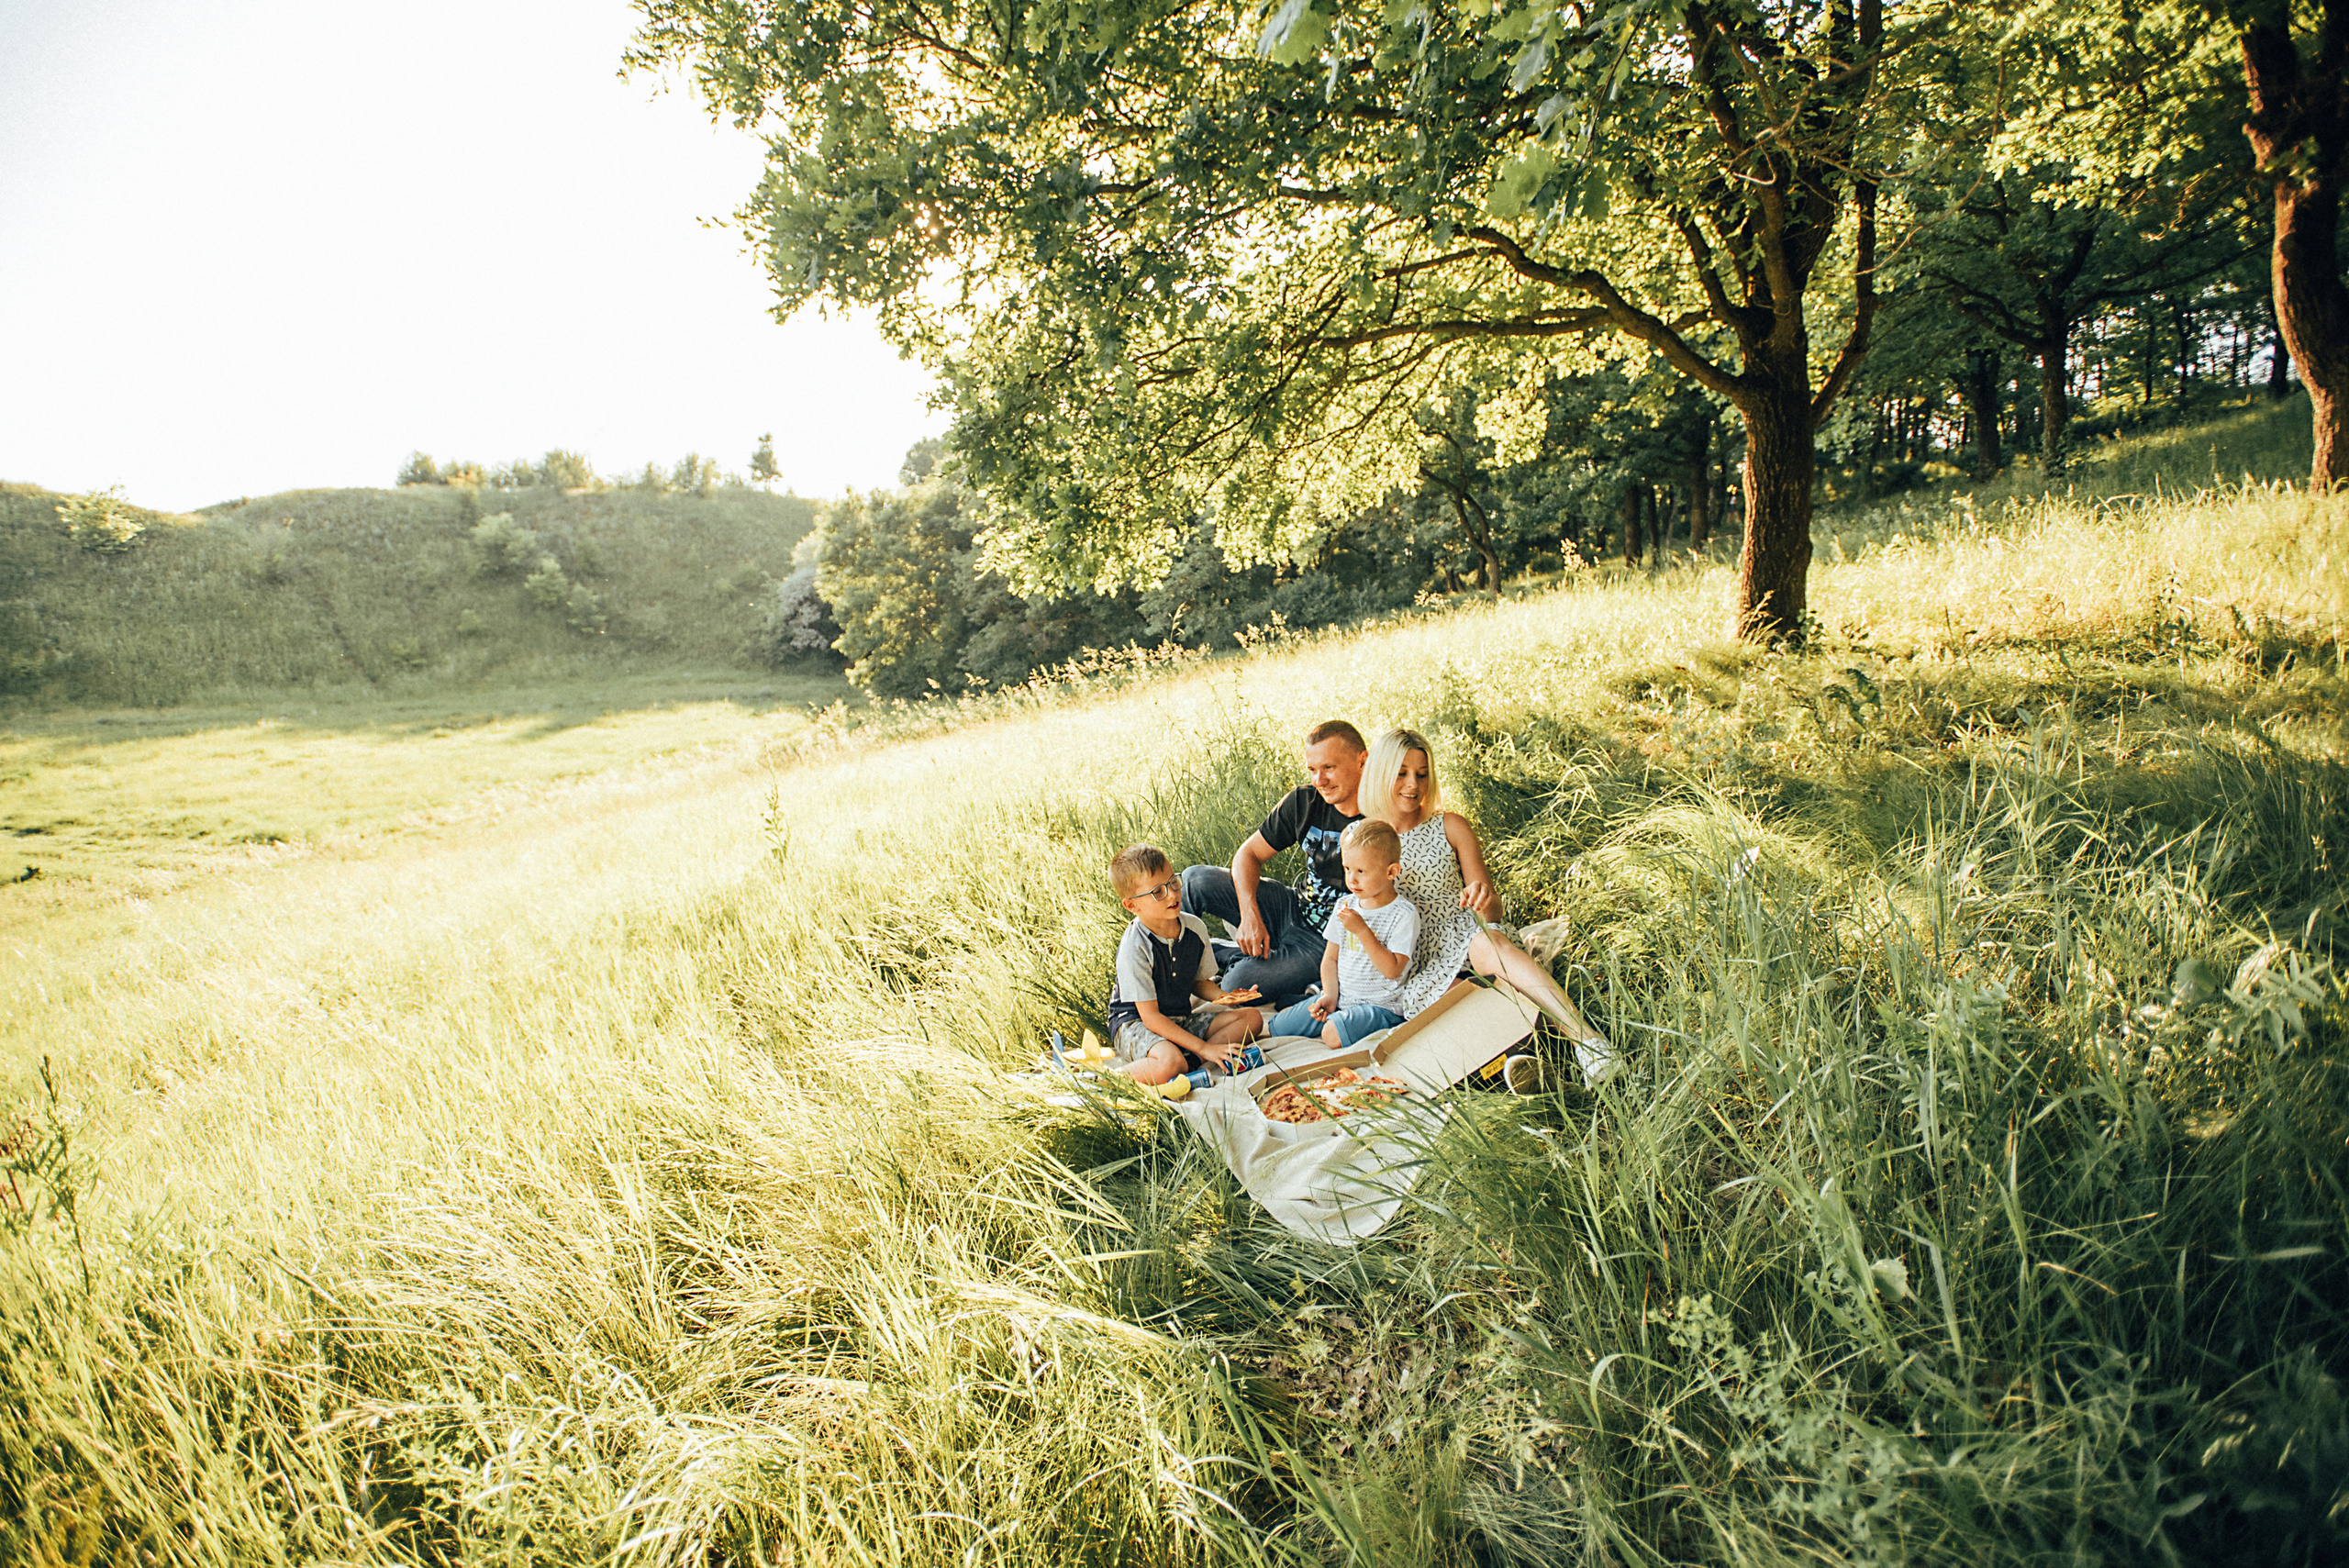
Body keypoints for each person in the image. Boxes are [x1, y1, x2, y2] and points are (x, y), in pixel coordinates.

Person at [1363, 727, 1619, 1085]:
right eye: (1401, 773)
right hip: (1420, 960)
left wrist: (1483, 897)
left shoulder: (1450, 825)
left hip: (1467, 934)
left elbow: (1492, 909)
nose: (1413, 785)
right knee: (1460, 1002)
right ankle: (1536, 1065)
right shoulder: (1366, 838)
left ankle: (1588, 1043)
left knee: (1488, 945)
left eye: (1422, 774)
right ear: (1381, 774)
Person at [1181, 719, 1366, 1006]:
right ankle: (1168, 964)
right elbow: (1248, 854)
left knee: (1236, 985)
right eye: (1313, 770)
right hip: (1290, 905)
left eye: (1329, 767)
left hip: (1325, 941)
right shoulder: (1304, 802)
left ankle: (1218, 955)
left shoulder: (1380, 819)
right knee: (1194, 880)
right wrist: (1250, 915)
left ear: (1362, 761)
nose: (1319, 780)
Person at [1105, 843, 1264, 1085]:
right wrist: (1204, 1047)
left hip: (1179, 1018)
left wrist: (1226, 998)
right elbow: (1151, 1018)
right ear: (1132, 905)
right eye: (1158, 892)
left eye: (1173, 882)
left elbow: (1198, 983)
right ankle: (1103, 1079)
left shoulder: (1194, 928)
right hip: (1135, 1023)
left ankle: (1190, 1060)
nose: (1172, 894)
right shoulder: (1134, 947)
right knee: (1170, 1063)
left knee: (1252, 1018)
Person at [1263, 818, 1420, 1050]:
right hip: (1342, 999)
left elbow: (1393, 970)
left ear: (1391, 871)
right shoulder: (1345, 905)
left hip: (1381, 1007)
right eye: (1347, 869)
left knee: (1331, 1034)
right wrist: (1329, 995)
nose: (1352, 879)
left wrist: (1362, 930)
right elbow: (1330, 959)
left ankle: (1346, 1022)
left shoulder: (1403, 914)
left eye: (1361, 871)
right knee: (1278, 1026)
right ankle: (1328, 1009)